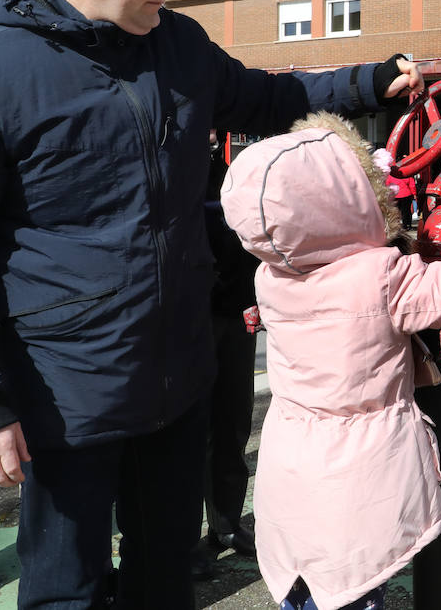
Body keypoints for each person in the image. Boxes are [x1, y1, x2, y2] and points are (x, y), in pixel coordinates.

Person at [0, 0, 424, 609]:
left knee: (164, 580)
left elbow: (268, 97)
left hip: (179, 380)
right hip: (65, 398)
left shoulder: (178, 47)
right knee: (65, 592)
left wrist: (369, 83)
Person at [220, 112, 441, 610]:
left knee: (309, 586)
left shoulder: (272, 277)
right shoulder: (384, 278)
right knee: (355, 581)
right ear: (343, 203)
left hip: (291, 471)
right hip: (361, 479)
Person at [193, 132, 261, 579]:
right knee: (186, 438)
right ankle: (180, 542)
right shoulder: (167, 176)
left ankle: (226, 524)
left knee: (233, 425)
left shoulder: (234, 176)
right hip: (186, 320)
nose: (212, 136)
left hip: (236, 315)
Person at [374, 147, 417, 228]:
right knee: (406, 211)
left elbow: (386, 183)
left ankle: (396, 226)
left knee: (396, 211)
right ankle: (407, 225)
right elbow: (412, 184)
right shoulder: (406, 174)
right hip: (406, 195)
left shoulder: (391, 174)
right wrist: (414, 194)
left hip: (395, 196)